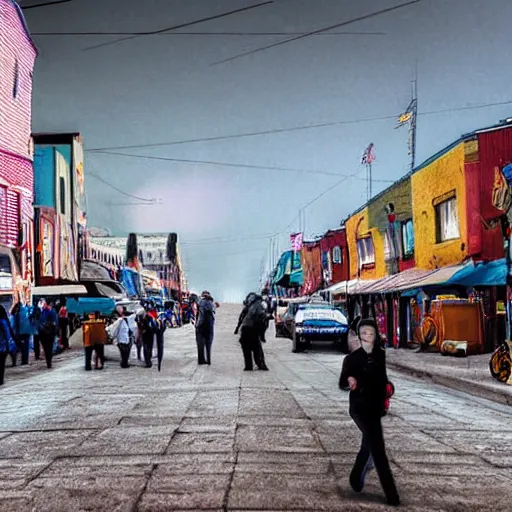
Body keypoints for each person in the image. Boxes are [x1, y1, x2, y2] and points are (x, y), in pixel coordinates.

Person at [339, 318, 400, 507]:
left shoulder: (380, 356)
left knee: (370, 444)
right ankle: (391, 495)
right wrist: (349, 380)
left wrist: (388, 389)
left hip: (375, 407)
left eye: (370, 333)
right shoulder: (351, 358)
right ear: (359, 336)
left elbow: (383, 379)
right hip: (359, 407)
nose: (367, 336)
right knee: (377, 449)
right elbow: (342, 381)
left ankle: (357, 476)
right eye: (364, 333)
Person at [238, 293, 269, 371]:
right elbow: (261, 319)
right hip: (253, 329)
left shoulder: (250, 306)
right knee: (256, 348)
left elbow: (242, 318)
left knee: (246, 349)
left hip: (245, 329)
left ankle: (248, 366)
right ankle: (260, 364)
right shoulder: (260, 305)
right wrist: (262, 334)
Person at [195, 291, 215, 365]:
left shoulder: (199, 302)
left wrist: (197, 325)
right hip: (209, 326)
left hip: (201, 327)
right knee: (209, 343)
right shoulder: (211, 303)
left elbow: (201, 316)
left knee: (200, 344)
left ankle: (201, 360)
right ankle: (209, 360)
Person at [39, 299, 58, 369]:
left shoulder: (49, 312)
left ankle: (49, 361)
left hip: (48, 334)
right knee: (47, 349)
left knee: (48, 349)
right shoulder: (43, 312)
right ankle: (48, 361)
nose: (42, 305)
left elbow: (55, 322)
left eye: (43, 303)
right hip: (45, 334)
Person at [0, 305, 16, 386]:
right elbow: (7, 334)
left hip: (2, 345)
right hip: (3, 346)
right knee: (2, 363)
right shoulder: (3, 322)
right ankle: (1, 380)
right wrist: (9, 344)